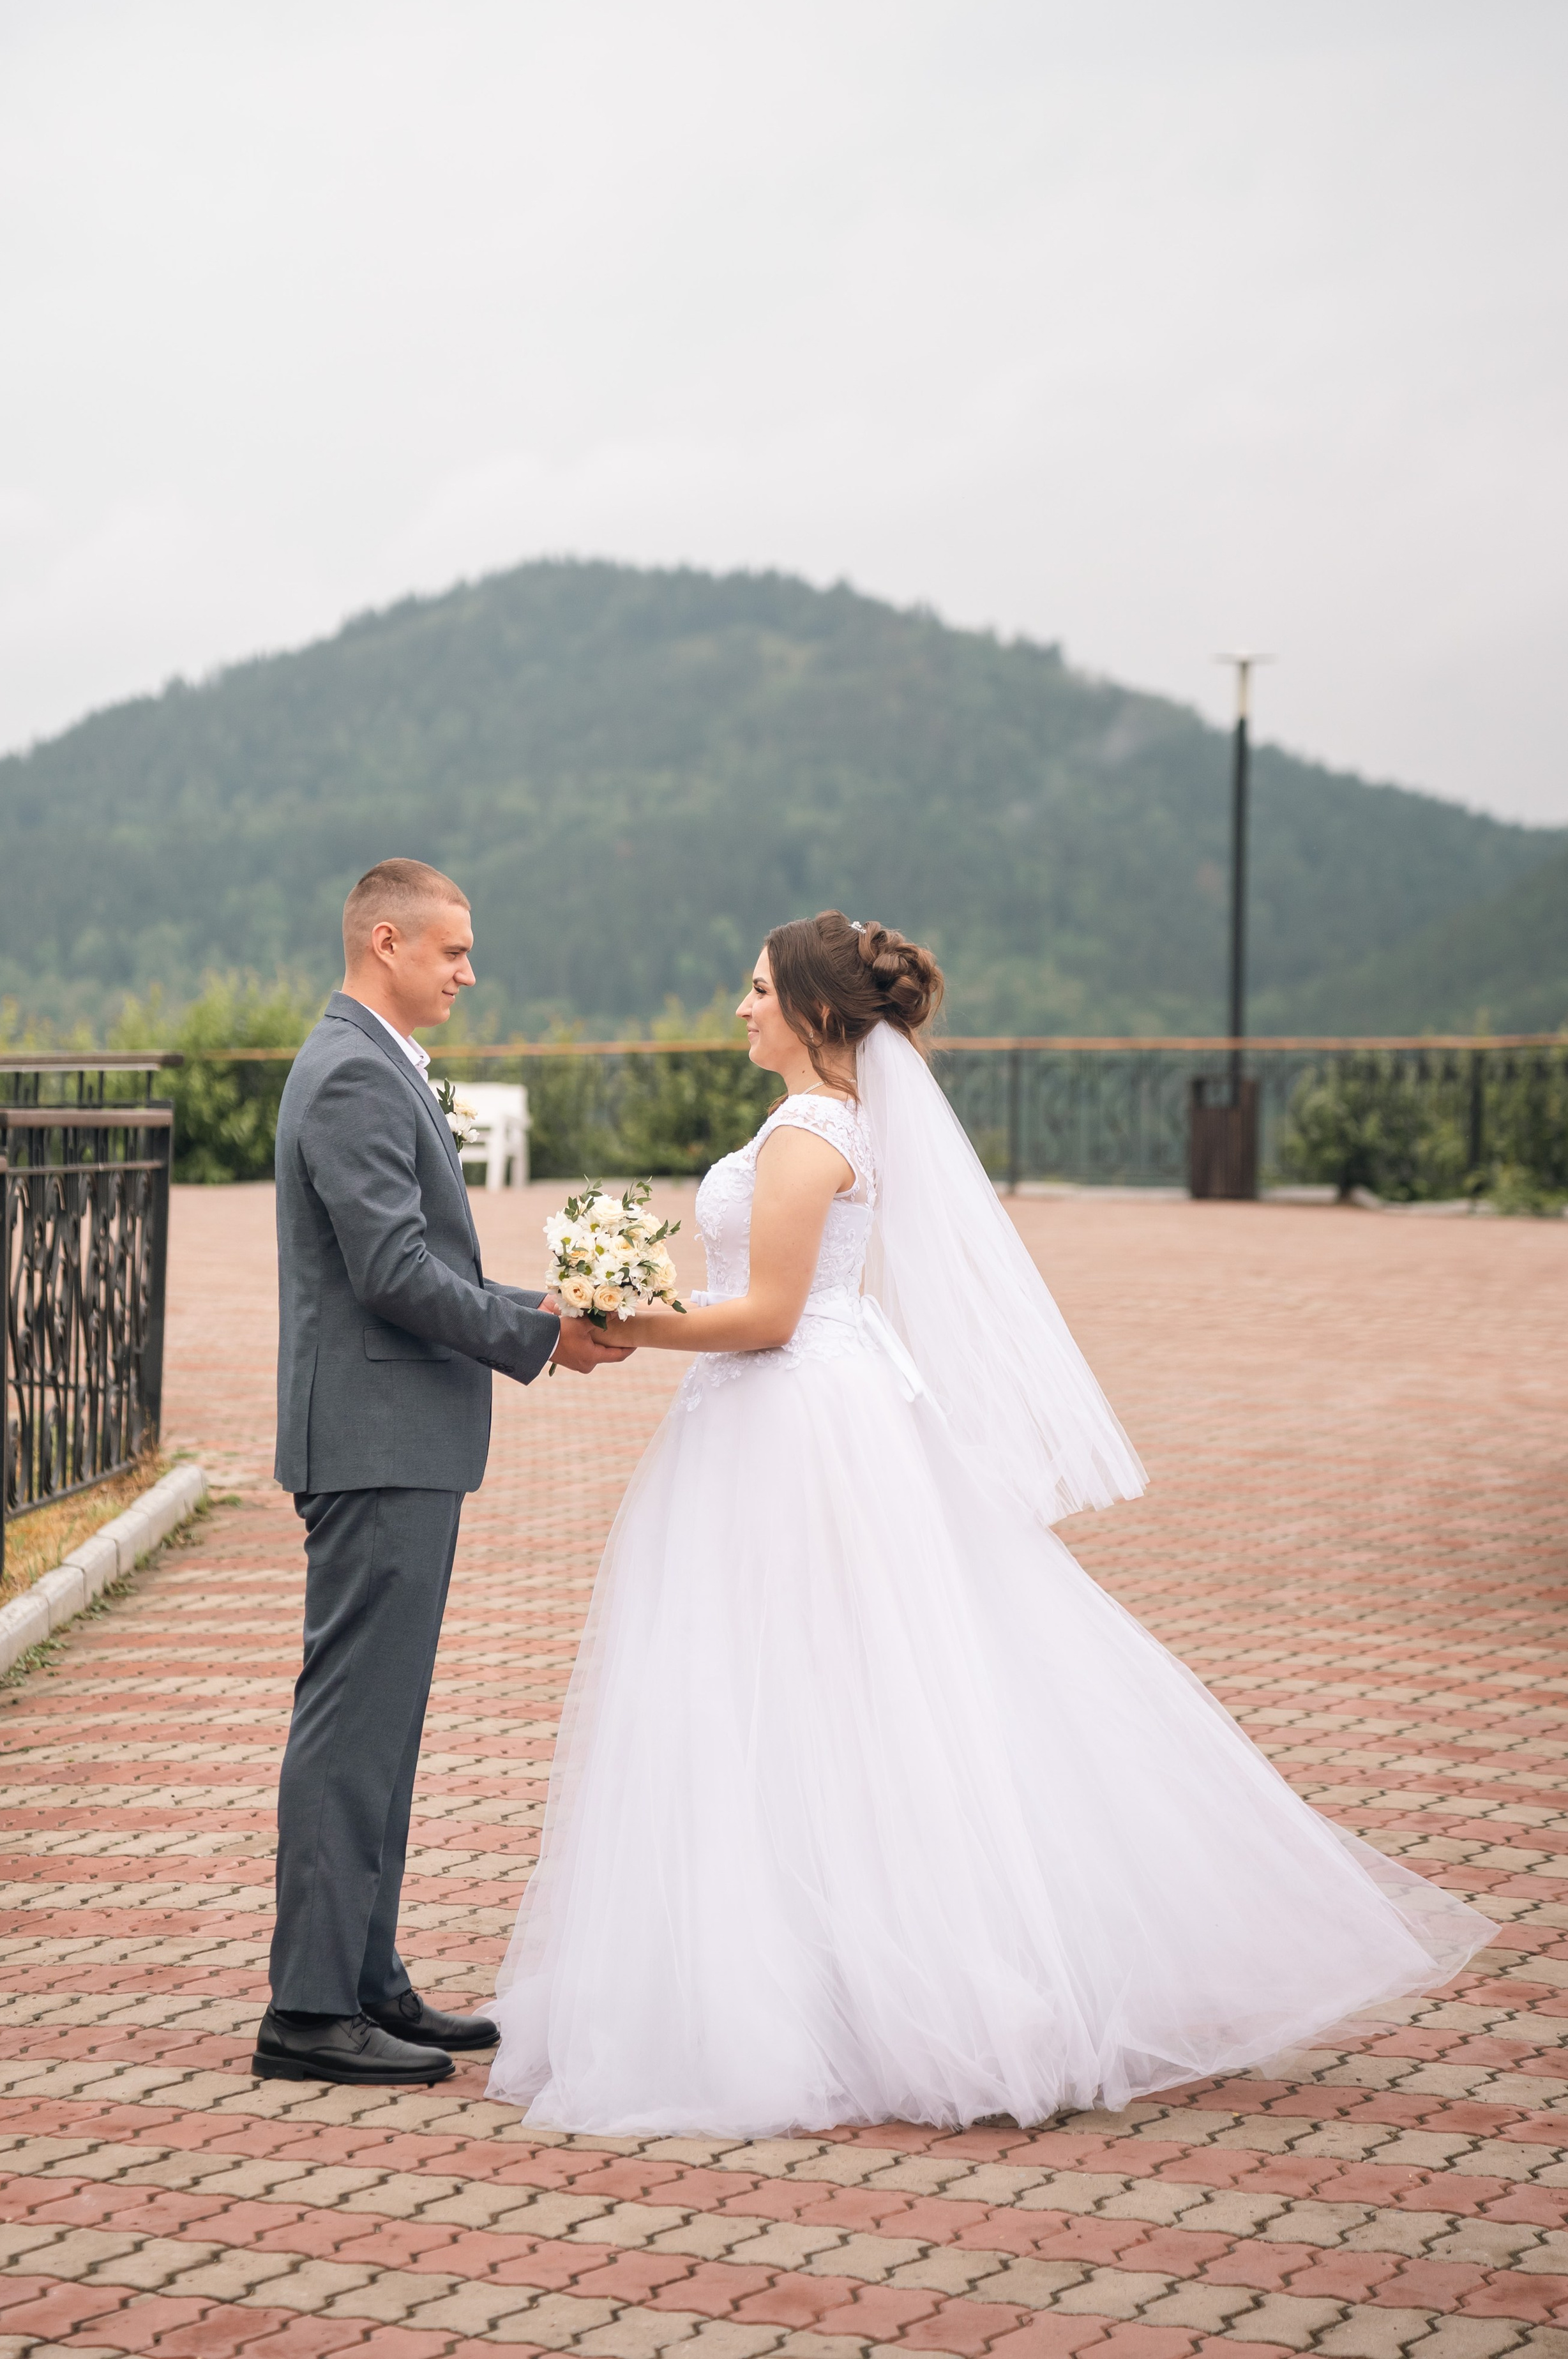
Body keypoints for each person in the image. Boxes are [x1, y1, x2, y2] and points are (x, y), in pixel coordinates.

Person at [485, 910, 1493, 2136]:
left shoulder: (807, 1135)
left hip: (792, 1418)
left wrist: (626, 1320)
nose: (740, 1007)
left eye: (756, 989)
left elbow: (769, 1315)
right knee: (813, 1680)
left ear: (813, 1009)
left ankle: (833, 1985)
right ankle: (823, 1966)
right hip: (796, 1410)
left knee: (790, 1679)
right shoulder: (826, 1122)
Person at [255, 859, 632, 2088]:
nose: (470, 971)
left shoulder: (373, 1061)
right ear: (387, 941)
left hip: (396, 1440)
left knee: (385, 1724)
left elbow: (417, 1263)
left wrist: (543, 1308)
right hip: (375, 1443)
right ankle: (310, 2011)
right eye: (453, 949)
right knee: (351, 1723)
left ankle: (367, 1978)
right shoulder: (355, 1071)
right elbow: (392, 1272)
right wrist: (538, 1335)